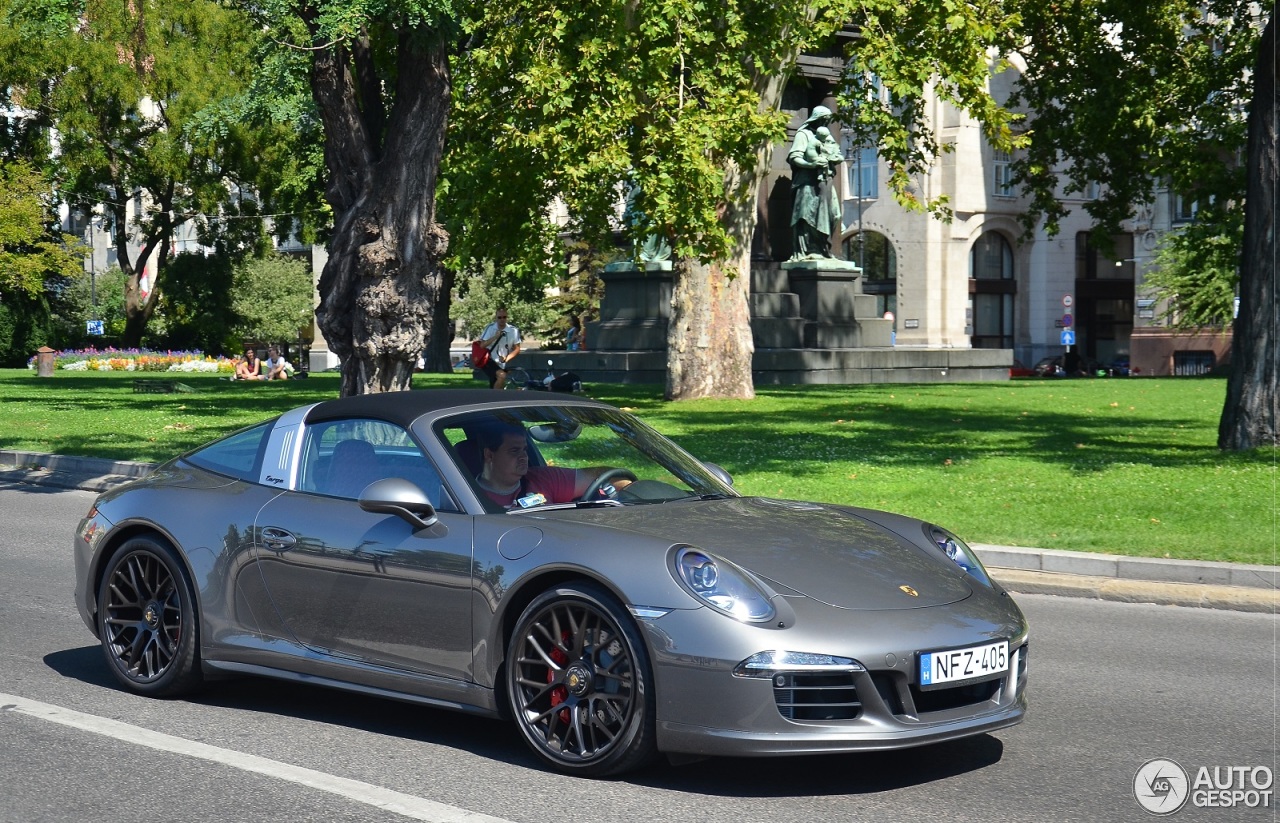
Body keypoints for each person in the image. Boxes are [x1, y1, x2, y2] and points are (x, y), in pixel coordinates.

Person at [473, 422, 630, 508]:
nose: (524, 456)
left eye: (525, 449)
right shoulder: (467, 495)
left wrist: (633, 491)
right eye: (514, 451)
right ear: (489, 455)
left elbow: (602, 476)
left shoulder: (543, 478)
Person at [787, 105, 843, 260]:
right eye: (823, 120)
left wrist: (833, 158)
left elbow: (837, 153)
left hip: (825, 181)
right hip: (806, 183)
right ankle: (808, 251)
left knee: (834, 214)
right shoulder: (803, 134)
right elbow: (795, 157)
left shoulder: (827, 136)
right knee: (807, 215)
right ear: (816, 119)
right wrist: (811, 165)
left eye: (827, 121)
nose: (825, 124)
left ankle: (824, 250)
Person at [476, 307, 522, 389]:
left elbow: (517, 349)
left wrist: (506, 358)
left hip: (501, 362)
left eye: (504, 317)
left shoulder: (513, 330)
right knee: (502, 375)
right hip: (488, 360)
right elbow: (482, 345)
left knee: (498, 384)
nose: (502, 319)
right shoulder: (490, 328)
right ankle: (495, 398)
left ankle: (494, 399)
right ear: (496, 318)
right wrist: (495, 337)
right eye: (499, 317)